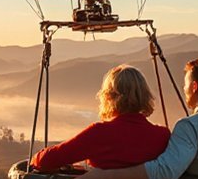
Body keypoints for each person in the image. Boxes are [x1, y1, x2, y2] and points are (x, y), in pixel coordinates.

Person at [69, 58, 198, 179]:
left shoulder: (191, 127)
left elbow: (164, 174)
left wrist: (105, 177)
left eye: (185, 85)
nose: (184, 89)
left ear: (194, 87)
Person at [30, 65, 170, 172]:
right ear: (145, 96)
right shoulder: (162, 136)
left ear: (108, 97)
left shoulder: (99, 133)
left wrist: (37, 157)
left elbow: (46, 161)